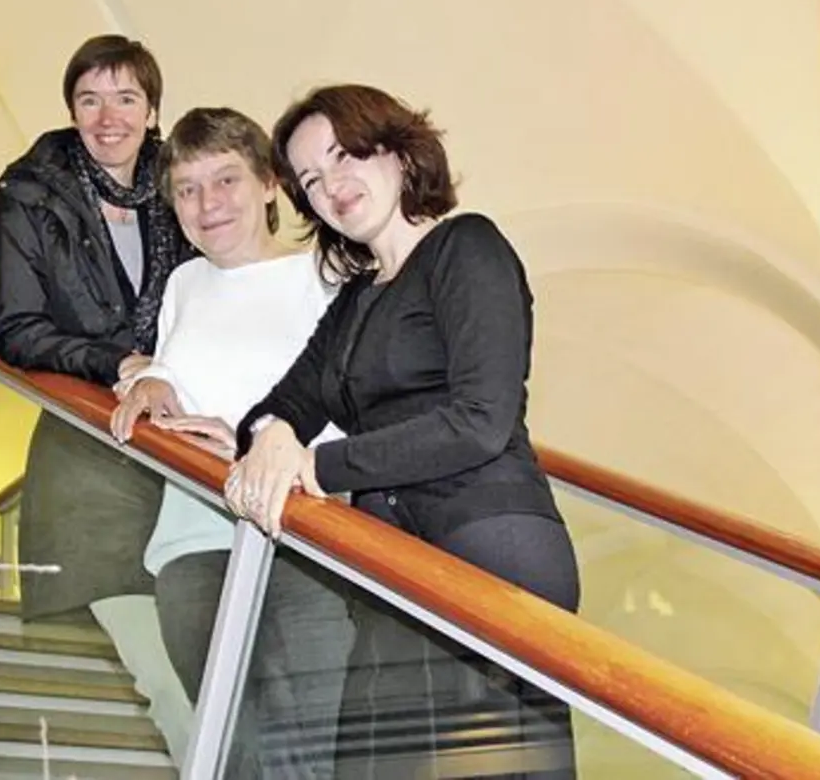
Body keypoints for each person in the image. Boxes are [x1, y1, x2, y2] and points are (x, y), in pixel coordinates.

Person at [228, 84, 582, 778]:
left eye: (344, 155)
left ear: (395, 150)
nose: (332, 185)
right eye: (310, 179)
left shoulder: (467, 248)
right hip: (390, 560)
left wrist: (318, 467)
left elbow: (481, 422)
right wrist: (272, 434)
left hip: (487, 543)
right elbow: (277, 407)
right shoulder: (357, 300)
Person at [109, 107, 354, 778]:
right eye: (186, 189)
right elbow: (172, 369)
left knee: (303, 754)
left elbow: (350, 412)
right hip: (194, 548)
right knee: (230, 750)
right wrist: (152, 381)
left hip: (303, 542)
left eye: (225, 180)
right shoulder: (184, 284)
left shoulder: (327, 277)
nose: (206, 204)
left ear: (270, 184)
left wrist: (252, 441)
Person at [0, 34, 196, 761]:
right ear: (71, 110)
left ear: (153, 110)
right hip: (89, 459)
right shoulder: (28, 195)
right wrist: (120, 362)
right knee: (162, 681)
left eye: (127, 98)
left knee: (211, 672)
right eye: (90, 99)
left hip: (182, 457)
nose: (109, 117)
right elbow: (14, 330)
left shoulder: (186, 192)